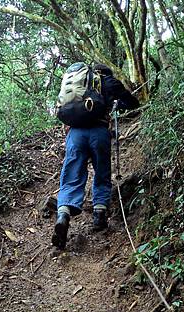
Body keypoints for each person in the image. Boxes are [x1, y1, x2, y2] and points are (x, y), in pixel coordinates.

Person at [52, 63, 139, 249]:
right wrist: (119, 104)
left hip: (75, 134)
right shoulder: (109, 81)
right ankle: (99, 213)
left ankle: (63, 213)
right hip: (99, 132)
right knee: (101, 172)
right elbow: (132, 103)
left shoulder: (81, 85)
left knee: (72, 175)